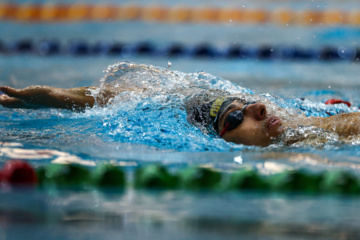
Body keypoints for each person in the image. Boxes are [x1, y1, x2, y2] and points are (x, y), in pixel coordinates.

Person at [1, 84, 359, 147]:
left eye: (246, 105)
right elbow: (118, 100)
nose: (258, 109)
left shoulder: (314, 129)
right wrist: (49, 96)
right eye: (234, 120)